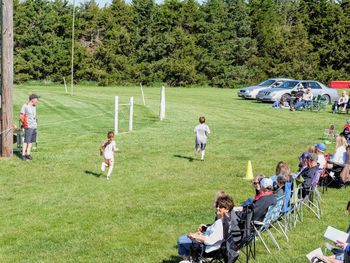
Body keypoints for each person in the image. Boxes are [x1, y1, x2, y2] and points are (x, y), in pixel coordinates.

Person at [177, 194, 234, 263]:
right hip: (208, 243)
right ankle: (190, 258)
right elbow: (214, 232)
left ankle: (190, 259)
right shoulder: (225, 220)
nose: (217, 208)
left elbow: (210, 241)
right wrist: (205, 228)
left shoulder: (221, 225)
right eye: (217, 206)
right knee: (183, 239)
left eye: (221, 207)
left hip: (207, 248)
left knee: (182, 240)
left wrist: (196, 237)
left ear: (227, 209)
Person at [20, 94, 40, 161]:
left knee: (31, 141)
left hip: (34, 126)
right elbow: (21, 115)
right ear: (32, 99)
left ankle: (28, 154)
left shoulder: (34, 106)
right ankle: (23, 155)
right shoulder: (25, 106)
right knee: (26, 141)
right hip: (28, 126)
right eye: (37, 99)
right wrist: (24, 123)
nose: (38, 100)